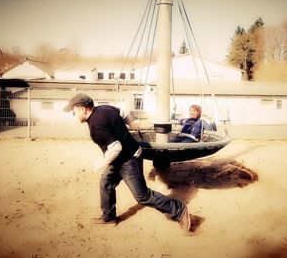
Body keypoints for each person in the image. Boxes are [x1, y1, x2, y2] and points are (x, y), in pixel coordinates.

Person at [63, 93, 191, 233]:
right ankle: (109, 217)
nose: (73, 114)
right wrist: (132, 124)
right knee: (106, 182)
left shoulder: (96, 125)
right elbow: (122, 112)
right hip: (120, 157)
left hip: (129, 158)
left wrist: (100, 163)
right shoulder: (104, 108)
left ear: (83, 109)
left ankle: (179, 210)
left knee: (142, 196)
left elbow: (116, 148)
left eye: (73, 111)